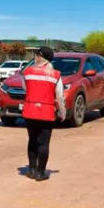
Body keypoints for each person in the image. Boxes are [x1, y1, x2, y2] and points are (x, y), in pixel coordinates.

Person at [22, 46, 66, 182]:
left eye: (37, 55)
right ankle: (41, 173)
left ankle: (32, 170)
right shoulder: (55, 75)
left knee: (32, 140)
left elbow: (25, 88)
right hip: (46, 112)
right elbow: (59, 96)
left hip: (30, 111)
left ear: (42, 58)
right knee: (43, 143)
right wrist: (62, 112)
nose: (35, 57)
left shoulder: (27, 72)